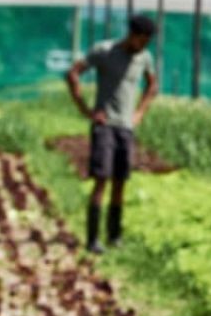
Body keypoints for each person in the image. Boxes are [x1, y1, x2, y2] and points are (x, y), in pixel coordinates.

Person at [65, 14, 159, 254]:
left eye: (148, 42)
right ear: (132, 35)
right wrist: (85, 109)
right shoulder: (104, 51)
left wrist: (139, 113)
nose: (144, 45)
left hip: (125, 128)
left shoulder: (144, 58)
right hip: (104, 125)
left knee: (120, 181)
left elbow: (152, 86)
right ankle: (93, 238)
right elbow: (73, 73)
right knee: (101, 180)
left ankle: (114, 236)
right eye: (142, 40)